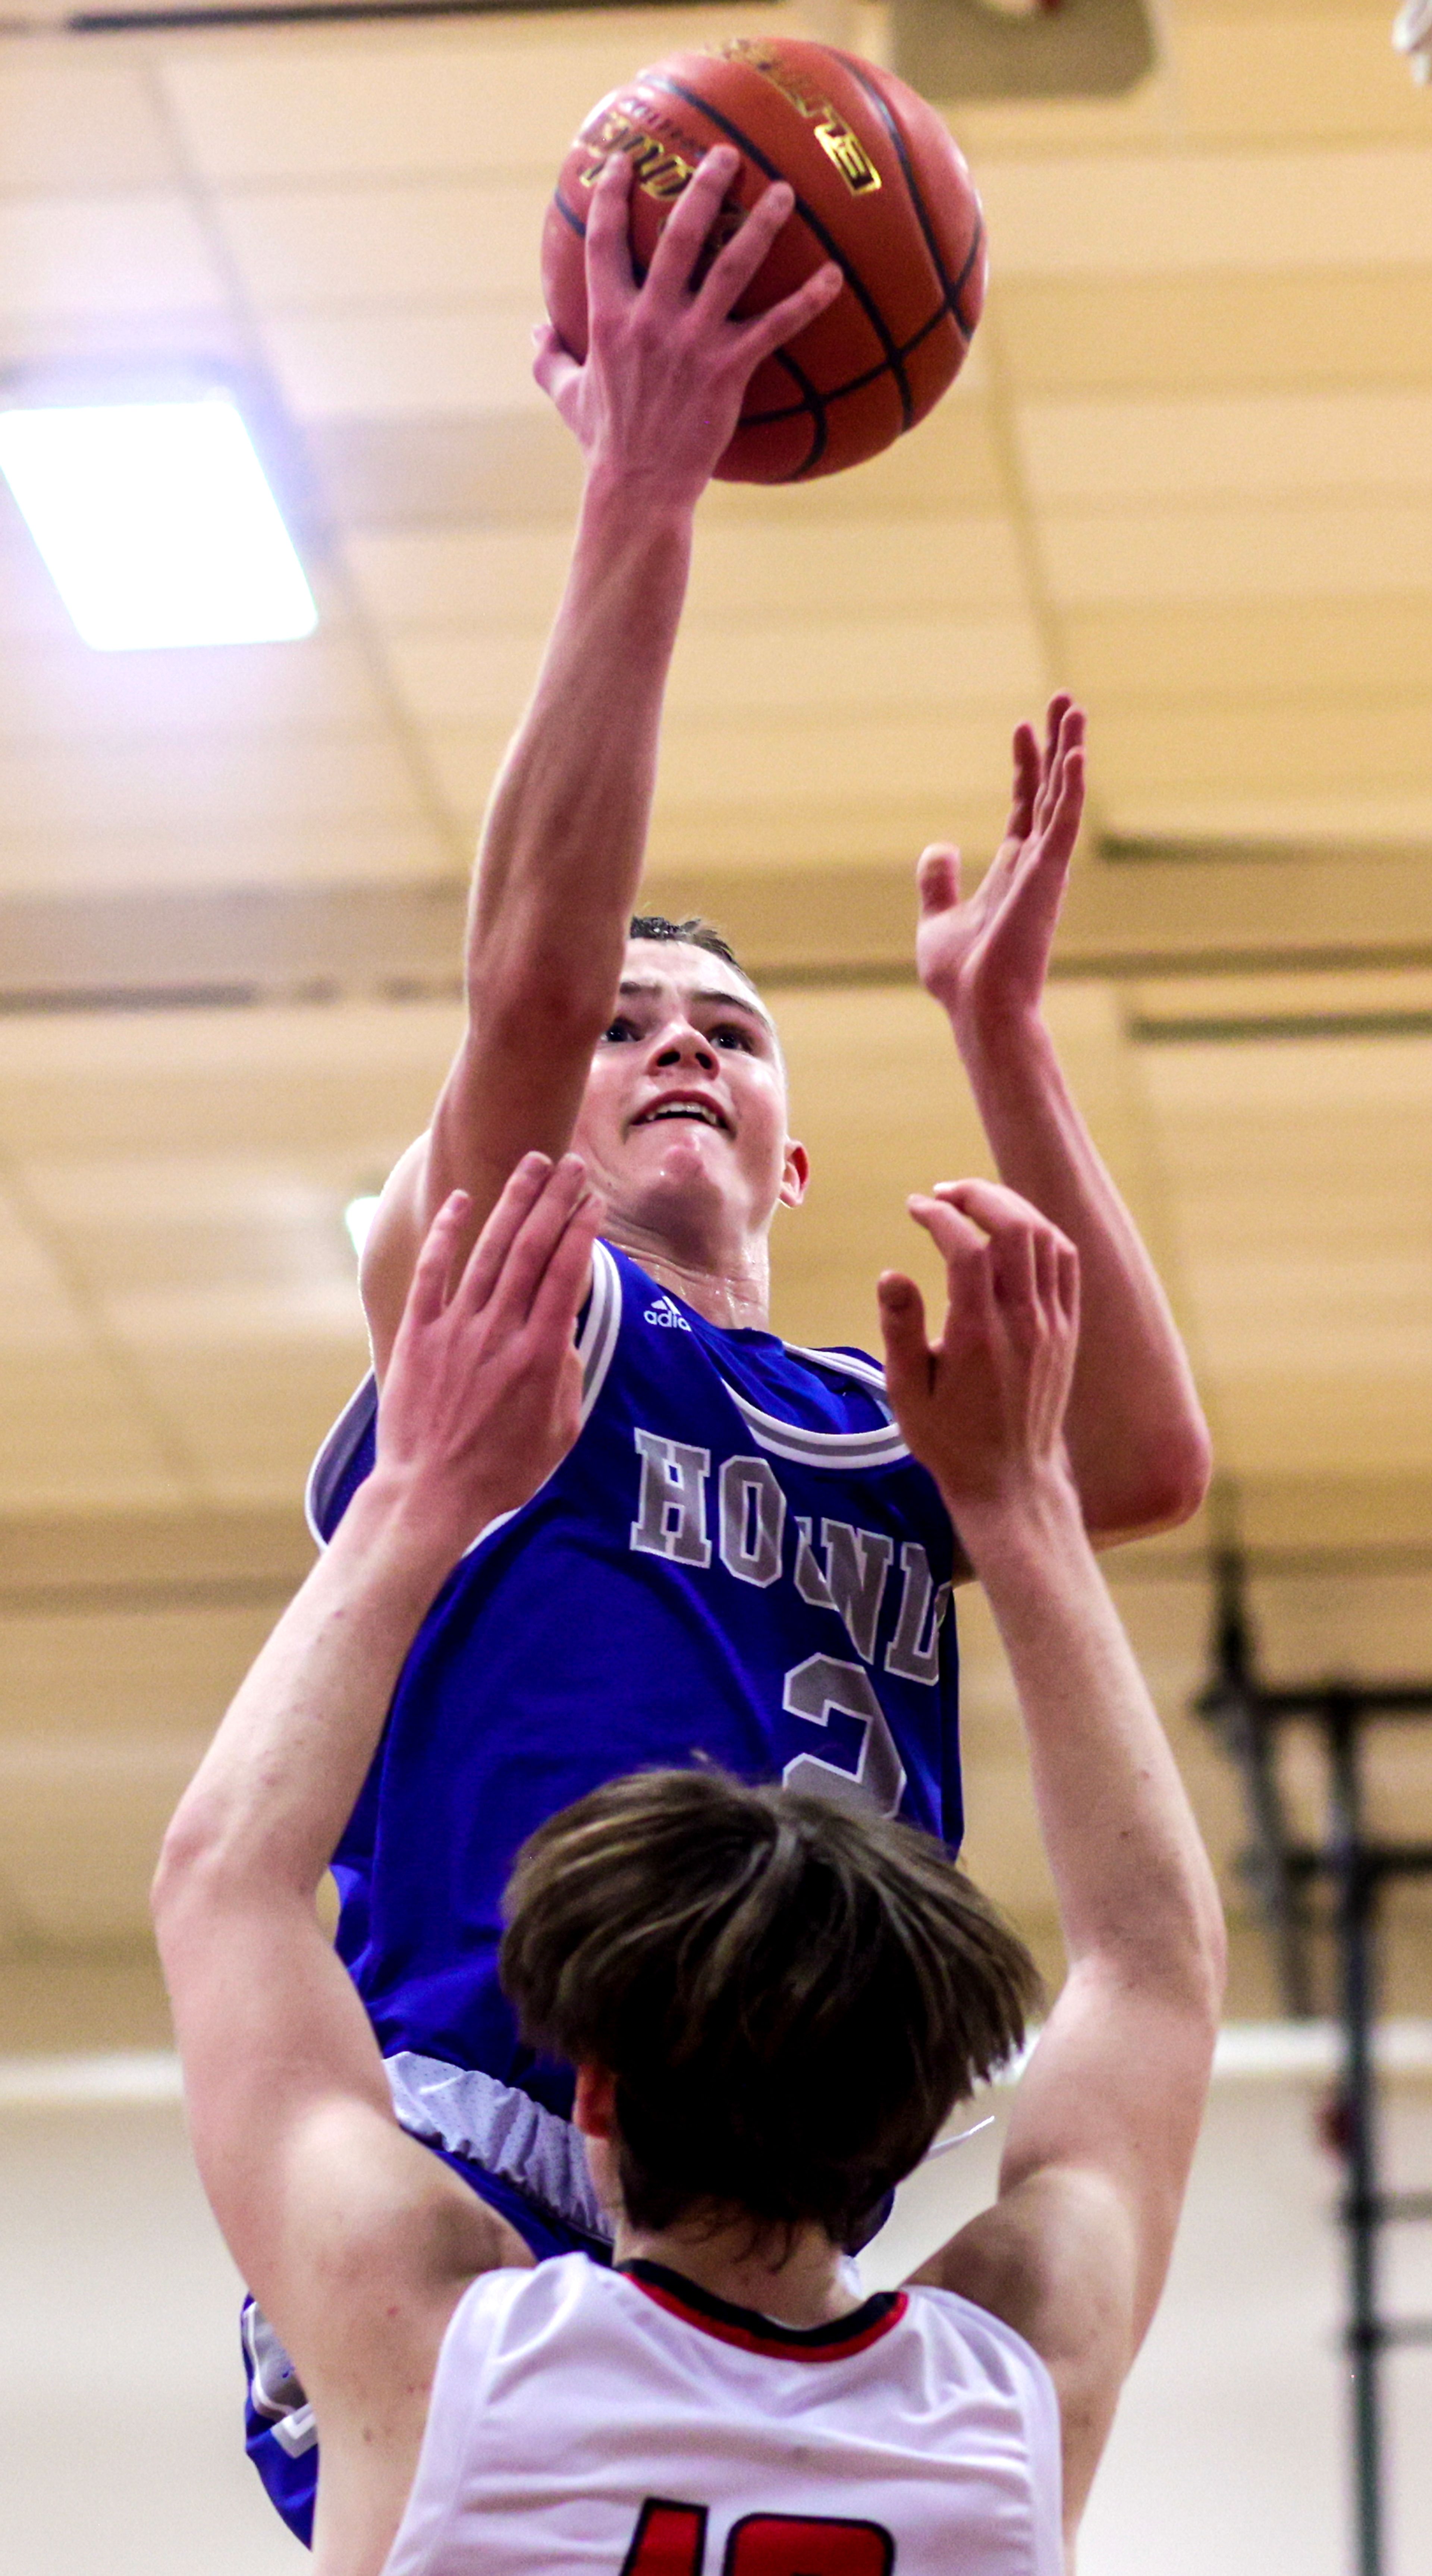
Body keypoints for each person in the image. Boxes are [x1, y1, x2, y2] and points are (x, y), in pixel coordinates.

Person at [252, 143, 1211, 2537]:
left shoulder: (906, 1418)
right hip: (506, 2106)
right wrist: (640, 505)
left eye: (737, 1034)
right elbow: (523, 980)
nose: (676, 1042)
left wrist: (1005, 1032)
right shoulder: (513, 1315)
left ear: (791, 1157)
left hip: (799, 2141)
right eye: (636, 1025)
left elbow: (1145, 1466)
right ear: (543, 1127)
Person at [153, 1152, 1226, 2576]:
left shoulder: (444, 2346)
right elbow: (1154, 1970)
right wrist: (1024, 1504)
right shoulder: (1004, 2407)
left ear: (591, 2093)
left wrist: (417, 1486)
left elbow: (221, 1876)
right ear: (907, 2130)